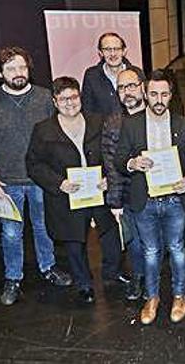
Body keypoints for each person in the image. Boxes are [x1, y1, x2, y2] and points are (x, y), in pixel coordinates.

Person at [0, 47, 72, 306]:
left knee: (43, 228)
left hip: (41, 180)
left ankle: (48, 266)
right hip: (5, 182)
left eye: (22, 67)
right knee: (11, 233)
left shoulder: (45, 98)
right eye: (11, 68)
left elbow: (59, 135)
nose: (18, 73)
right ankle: (13, 277)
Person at [26, 77, 118, 304]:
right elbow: (34, 165)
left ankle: (112, 274)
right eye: (63, 99)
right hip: (67, 196)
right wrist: (59, 183)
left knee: (110, 234)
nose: (70, 103)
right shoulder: (43, 129)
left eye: (74, 97)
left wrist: (109, 177)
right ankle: (83, 283)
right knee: (75, 242)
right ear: (55, 101)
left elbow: (111, 153)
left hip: (98, 191)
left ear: (80, 97)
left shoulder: (98, 121)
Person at [116, 70, 185, 325]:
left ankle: (179, 296)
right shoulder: (131, 123)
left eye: (164, 94)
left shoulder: (183, 124)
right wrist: (132, 162)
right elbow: (118, 160)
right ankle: (152, 298)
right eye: (153, 93)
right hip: (145, 200)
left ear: (171, 95)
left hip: (174, 199)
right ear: (144, 93)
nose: (159, 99)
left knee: (177, 250)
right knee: (150, 252)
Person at [101, 66, 148, 300]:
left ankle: (156, 279)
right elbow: (110, 164)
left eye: (131, 86)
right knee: (136, 243)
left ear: (142, 86)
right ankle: (139, 277)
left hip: (161, 193)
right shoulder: (113, 122)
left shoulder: (158, 116)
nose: (126, 92)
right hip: (129, 196)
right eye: (121, 87)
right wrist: (115, 201)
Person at [81, 32, 139, 115]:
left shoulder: (136, 73)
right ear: (100, 53)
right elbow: (87, 111)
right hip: (103, 127)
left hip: (133, 126)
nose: (113, 54)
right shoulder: (91, 76)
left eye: (117, 49)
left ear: (124, 51)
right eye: (107, 49)